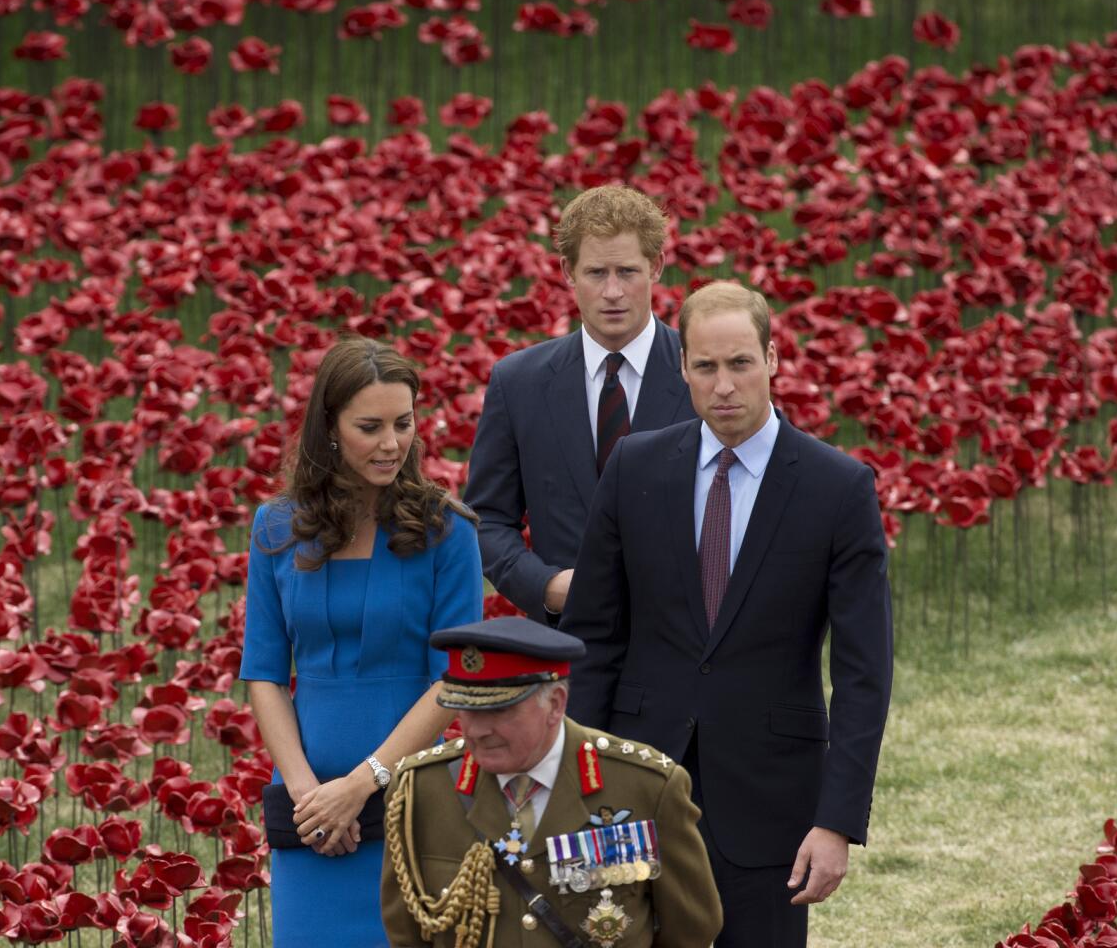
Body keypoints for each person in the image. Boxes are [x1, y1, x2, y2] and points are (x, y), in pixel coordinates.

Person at [560, 282, 894, 946]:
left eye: (741, 363)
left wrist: (837, 823)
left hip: (771, 803)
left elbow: (863, 674)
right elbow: (593, 638)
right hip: (632, 792)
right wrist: (576, 794)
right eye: (706, 366)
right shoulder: (634, 467)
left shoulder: (839, 488)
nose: (724, 385)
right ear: (681, 367)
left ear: (773, 359)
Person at [240, 337, 484, 948]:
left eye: (403, 424)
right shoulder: (275, 527)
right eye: (369, 427)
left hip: (410, 797)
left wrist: (362, 783)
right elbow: (264, 673)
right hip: (309, 808)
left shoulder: (446, 532)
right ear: (329, 428)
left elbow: (454, 678)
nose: (391, 444)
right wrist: (308, 796)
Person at [380, 617, 722, 948]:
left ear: (555, 704)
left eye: (498, 712)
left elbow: (691, 931)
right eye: (466, 710)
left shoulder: (647, 787)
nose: (477, 731)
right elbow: (407, 934)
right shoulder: (420, 791)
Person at [465, 184, 697, 624]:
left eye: (627, 272)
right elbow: (489, 520)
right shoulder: (518, 383)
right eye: (596, 273)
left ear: (657, 267)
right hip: (567, 647)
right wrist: (546, 587)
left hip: (686, 647)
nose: (612, 292)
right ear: (568, 271)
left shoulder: (704, 375)